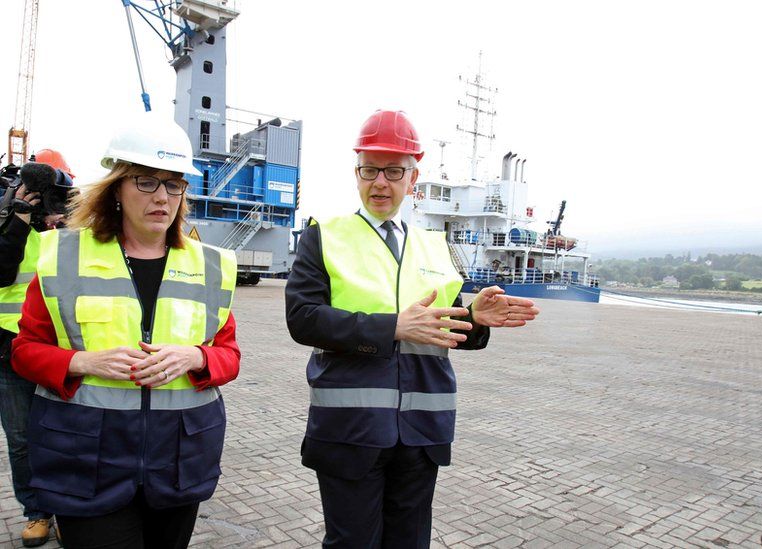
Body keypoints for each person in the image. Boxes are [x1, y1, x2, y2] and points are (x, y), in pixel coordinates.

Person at [286, 109, 540, 548]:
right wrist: (392, 327)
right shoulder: (324, 236)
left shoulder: (433, 244)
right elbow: (303, 319)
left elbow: (441, 324)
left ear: (412, 177)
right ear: (357, 172)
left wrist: (474, 318)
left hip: (421, 429)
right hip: (352, 428)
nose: (380, 182)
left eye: (393, 171)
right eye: (370, 170)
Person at [11, 114, 240, 549]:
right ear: (116, 187)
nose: (163, 197)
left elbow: (229, 356)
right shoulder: (64, 256)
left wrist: (196, 357)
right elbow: (24, 351)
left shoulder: (211, 266)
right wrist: (82, 361)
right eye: (146, 182)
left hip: (176, 462)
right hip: (86, 459)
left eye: (173, 184)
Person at [0, 149, 74, 547]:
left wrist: (58, 227)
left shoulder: (68, 224)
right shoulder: (7, 215)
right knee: (22, 438)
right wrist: (18, 219)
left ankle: (68, 512)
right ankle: (36, 514)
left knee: (66, 433)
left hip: (57, 345)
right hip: (8, 350)